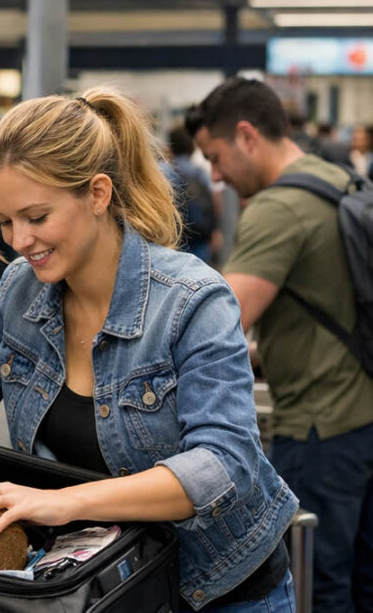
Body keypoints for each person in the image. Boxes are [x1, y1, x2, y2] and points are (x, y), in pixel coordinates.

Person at [0, 87, 297, 611]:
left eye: (36, 217)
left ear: (98, 194)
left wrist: (61, 503)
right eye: (4, 221)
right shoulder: (20, 290)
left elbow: (222, 464)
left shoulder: (193, 302)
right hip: (101, 586)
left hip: (217, 589)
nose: (17, 240)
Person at [188, 77, 373, 613]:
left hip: (319, 425)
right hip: (362, 411)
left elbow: (218, 326)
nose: (216, 176)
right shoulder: (337, 180)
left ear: (247, 135)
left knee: (319, 581)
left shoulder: (277, 209)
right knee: (363, 577)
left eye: (215, 157)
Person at [167, 125, 220, 263]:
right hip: (200, 237)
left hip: (175, 241)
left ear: (170, 147)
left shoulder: (166, 173)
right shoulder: (199, 172)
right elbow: (214, 200)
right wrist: (215, 230)